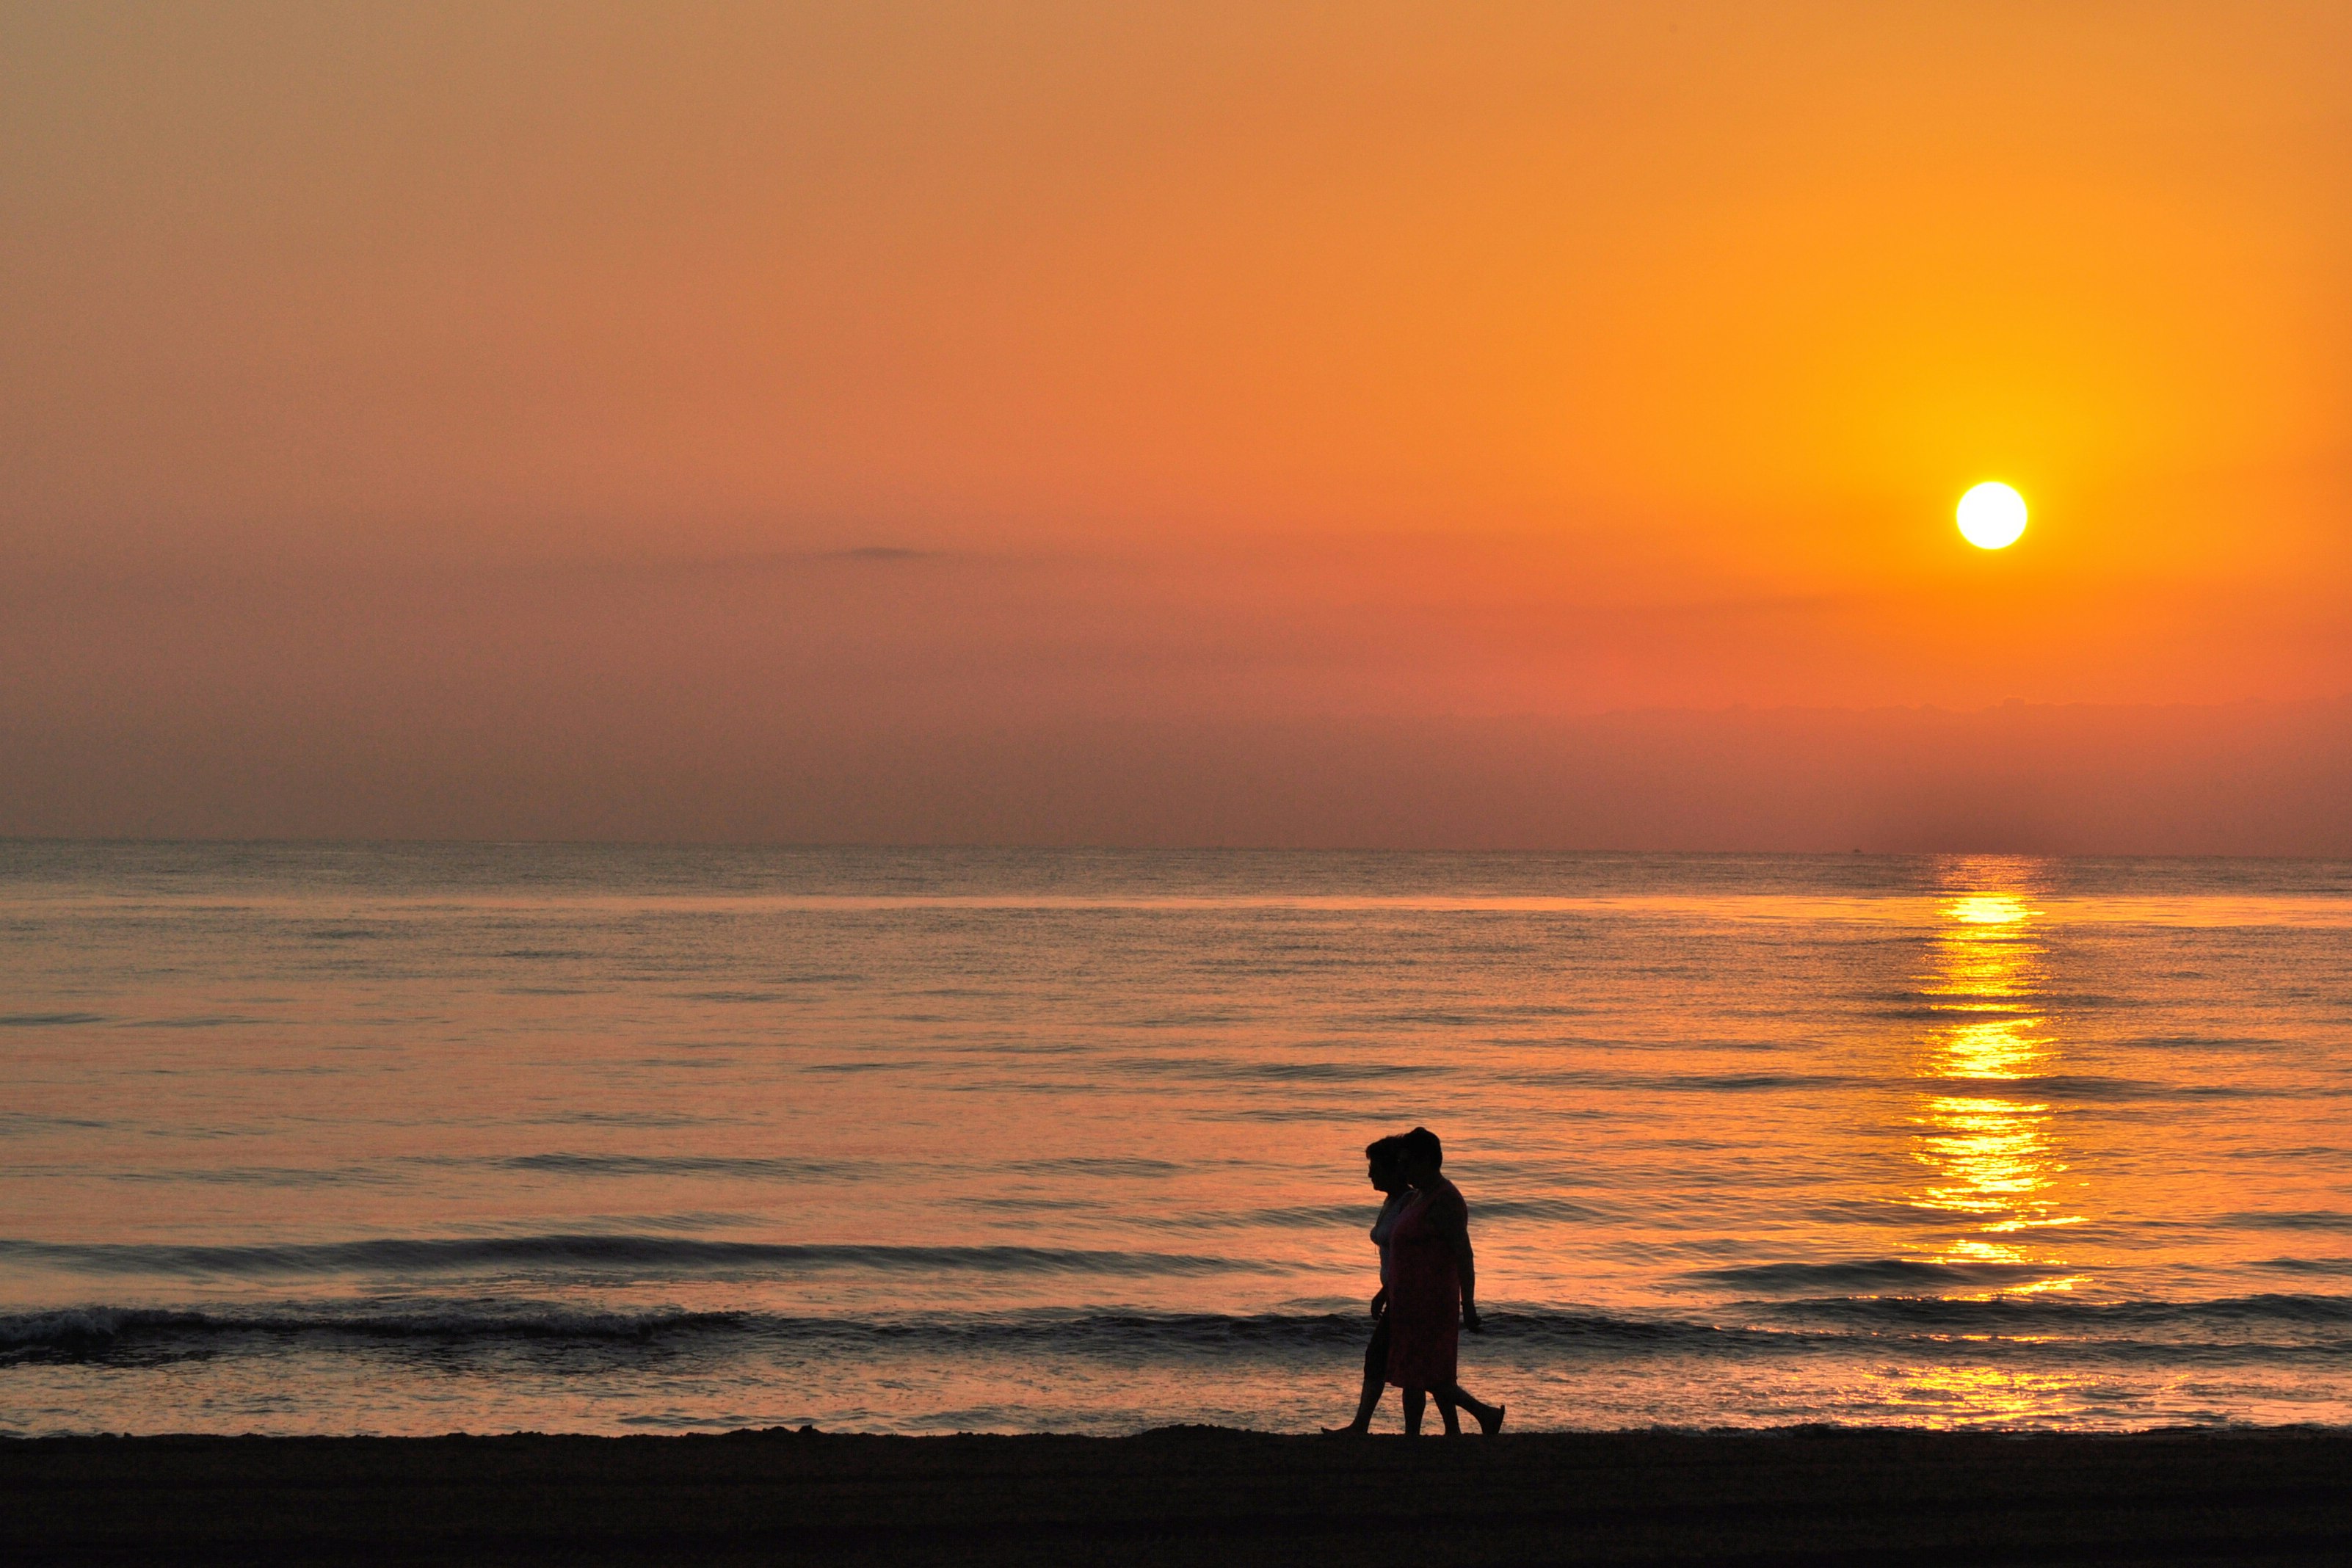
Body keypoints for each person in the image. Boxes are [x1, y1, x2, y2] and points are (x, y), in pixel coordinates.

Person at [1384, 1126, 1504, 1436]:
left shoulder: (1445, 1199)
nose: (1403, 1169)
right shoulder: (1418, 1197)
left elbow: (1464, 1254)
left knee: (1424, 1375)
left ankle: (1481, 1415)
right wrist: (1386, 1291)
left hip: (1431, 1299)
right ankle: (1454, 1430)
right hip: (1408, 1299)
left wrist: (1470, 1303)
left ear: (1426, 1161)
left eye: (1408, 1162)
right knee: (1423, 1370)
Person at [1324, 1136, 1411, 1434]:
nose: (1369, 1175)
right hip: (1395, 1292)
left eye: (1374, 1168)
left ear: (1392, 1169)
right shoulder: (1391, 1202)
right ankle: (1477, 1417)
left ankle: (1361, 1426)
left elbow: (1408, 1256)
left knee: (1384, 1359)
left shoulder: (1408, 1204)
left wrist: (1388, 1290)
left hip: (1406, 1294)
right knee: (1400, 1363)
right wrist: (1383, 1290)